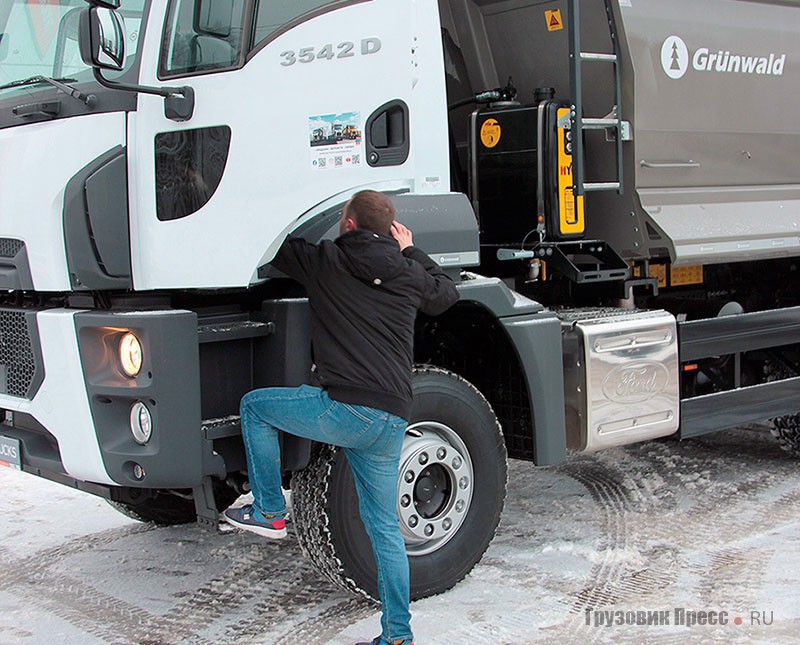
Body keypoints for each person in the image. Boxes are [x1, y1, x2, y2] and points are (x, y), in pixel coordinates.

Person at [223, 190, 459, 645]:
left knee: (255, 407)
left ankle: (271, 509)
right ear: (392, 230)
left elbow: (272, 244)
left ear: (347, 224)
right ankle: (396, 635)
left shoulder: (326, 260)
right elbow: (444, 292)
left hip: (344, 409)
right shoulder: (409, 273)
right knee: (386, 530)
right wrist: (410, 249)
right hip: (391, 419)